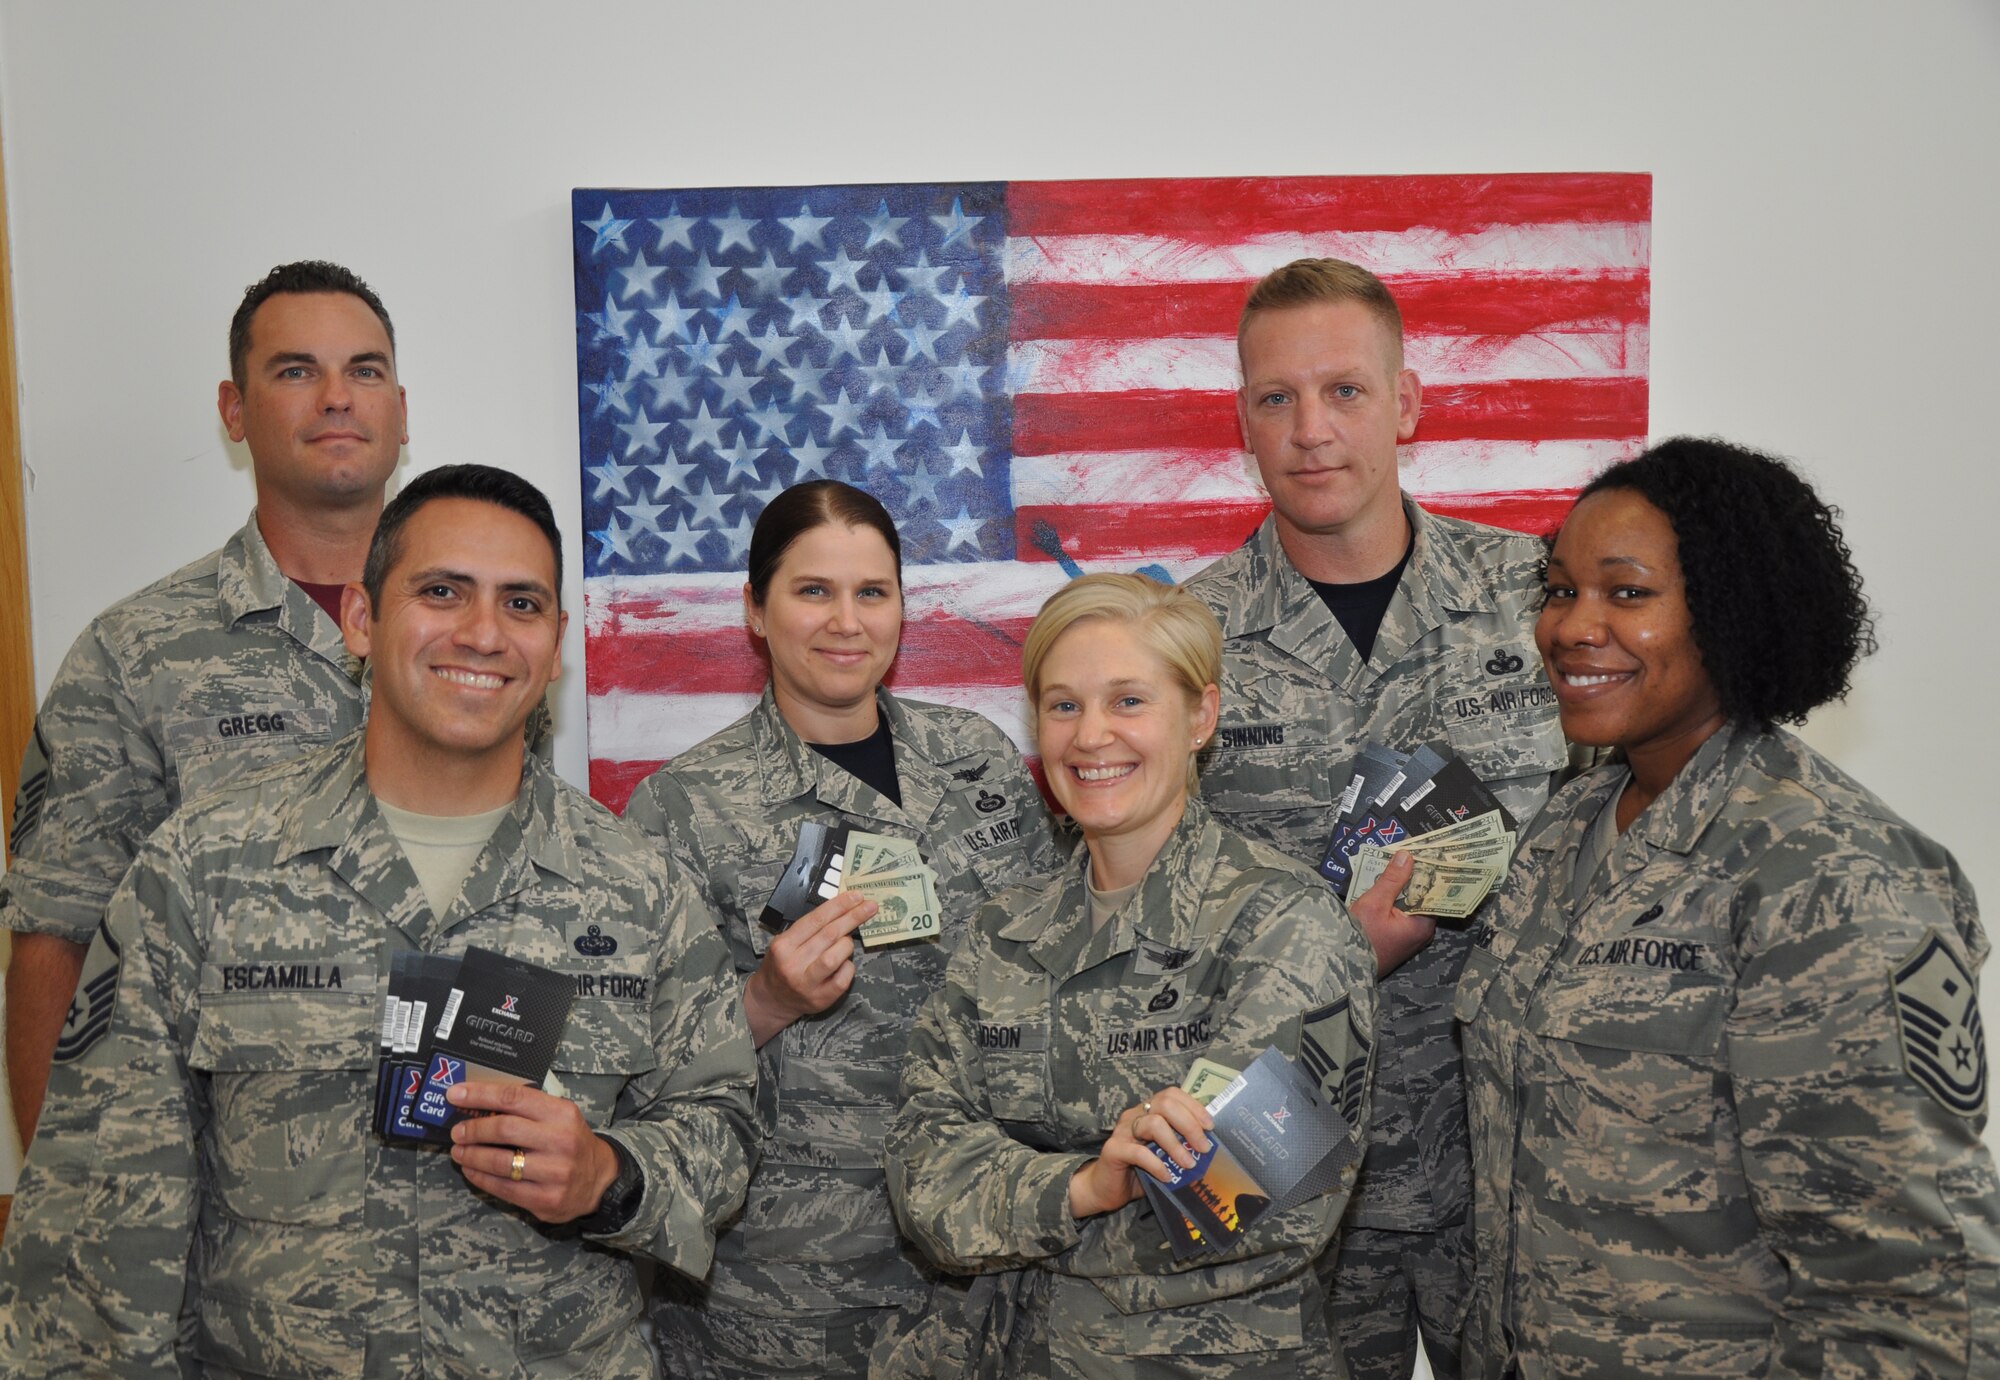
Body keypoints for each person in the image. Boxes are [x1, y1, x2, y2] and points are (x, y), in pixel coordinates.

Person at [0, 465, 759, 1374]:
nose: (482, 633)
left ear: (556, 644)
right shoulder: (204, 866)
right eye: (442, 592)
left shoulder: (641, 889)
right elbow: (99, 1206)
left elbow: (719, 1125)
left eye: (521, 604)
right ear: (361, 619)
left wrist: (607, 1176)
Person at [1457, 437, 2000, 1377]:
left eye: (1628, 594)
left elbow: (1907, 1293)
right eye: (1557, 590)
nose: (1574, 627)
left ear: (1734, 613)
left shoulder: (1832, 878)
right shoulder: (1567, 827)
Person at [1184, 257, 1570, 1380]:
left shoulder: (1540, 599)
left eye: (1345, 391)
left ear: (1404, 403)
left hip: (1508, 1167)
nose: (1310, 429)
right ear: (1241, 421)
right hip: (1290, 1176)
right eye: (1275, 398)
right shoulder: (1179, 642)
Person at [884, 573, 1381, 1378]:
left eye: (1128, 702)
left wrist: (1008, 1201)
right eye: (1064, 705)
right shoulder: (1001, 931)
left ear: (1201, 717)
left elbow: (1265, 1208)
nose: (1090, 738)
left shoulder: (1286, 926)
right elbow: (918, 1170)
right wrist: (1089, 1185)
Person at [621, 479, 1064, 1379]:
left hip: (992, 1245)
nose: (846, 622)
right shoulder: (683, 808)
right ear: (755, 609)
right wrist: (765, 1000)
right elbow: (636, 1075)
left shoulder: (976, 758)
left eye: (872, 592)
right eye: (812, 591)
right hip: (793, 1286)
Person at [2, 260, 407, 1145]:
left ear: (400, 411)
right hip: (228, 1196)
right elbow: (56, 943)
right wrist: (59, 1209)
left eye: (365, 370)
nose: (339, 397)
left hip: (460, 1193)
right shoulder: (135, 653)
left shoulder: (484, 638)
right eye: (297, 370)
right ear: (234, 410)